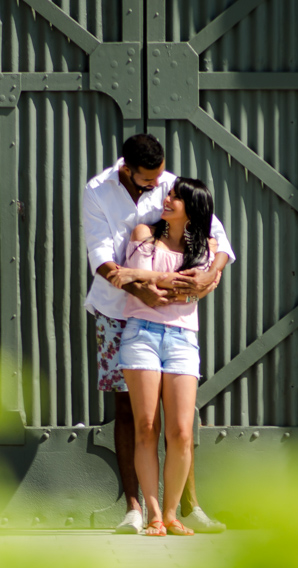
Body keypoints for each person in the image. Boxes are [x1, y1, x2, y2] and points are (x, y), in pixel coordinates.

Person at [81, 134, 234, 533]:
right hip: (117, 310)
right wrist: (140, 288)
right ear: (127, 170)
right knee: (129, 411)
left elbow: (214, 232)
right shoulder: (97, 191)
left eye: (160, 175)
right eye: (149, 178)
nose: (158, 185)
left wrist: (210, 276)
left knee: (180, 421)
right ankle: (136, 508)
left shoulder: (168, 184)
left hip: (174, 320)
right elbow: (100, 256)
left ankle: (188, 506)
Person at [116, 178, 216, 535]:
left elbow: (195, 290)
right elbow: (149, 291)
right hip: (141, 334)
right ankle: (154, 514)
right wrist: (180, 287)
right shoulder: (144, 233)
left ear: (193, 207)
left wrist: (149, 278)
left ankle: (173, 514)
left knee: (181, 431)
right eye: (169, 194)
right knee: (146, 426)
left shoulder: (202, 245)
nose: (167, 199)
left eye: (176, 197)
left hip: (183, 339)